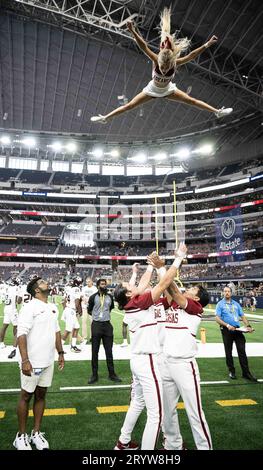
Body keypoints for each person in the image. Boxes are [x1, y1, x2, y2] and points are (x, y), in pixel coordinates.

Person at [91, 7, 233, 125]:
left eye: (166, 68)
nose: (164, 70)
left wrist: (207, 44)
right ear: (158, 61)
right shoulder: (155, 59)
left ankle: (217, 112)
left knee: (192, 100)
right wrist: (132, 31)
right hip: (152, 89)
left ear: (171, 62)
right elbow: (143, 46)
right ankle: (105, 118)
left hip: (168, 90)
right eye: (162, 67)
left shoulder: (175, 62)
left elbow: (192, 55)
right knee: (129, 106)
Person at [114, 244, 187, 450]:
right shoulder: (138, 303)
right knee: (156, 414)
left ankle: (123, 442)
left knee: (138, 402)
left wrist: (150, 268)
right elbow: (163, 285)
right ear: (130, 295)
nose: (133, 283)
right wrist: (177, 259)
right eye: (129, 285)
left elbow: (165, 294)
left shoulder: (137, 302)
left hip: (139, 360)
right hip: (148, 360)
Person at [148, 252, 212, 450]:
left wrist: (161, 266)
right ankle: (173, 446)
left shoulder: (194, 308)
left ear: (197, 298)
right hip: (167, 363)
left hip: (185, 365)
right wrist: (159, 268)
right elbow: (167, 287)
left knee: (195, 413)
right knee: (167, 411)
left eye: (193, 289)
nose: (189, 289)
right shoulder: (177, 304)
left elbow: (174, 291)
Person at [13, 277, 65, 450]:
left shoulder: (51, 307)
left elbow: (57, 331)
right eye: (42, 282)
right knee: (26, 396)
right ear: (36, 290)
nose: (46, 283)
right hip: (32, 362)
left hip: (48, 361)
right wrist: (25, 360)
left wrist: (61, 352)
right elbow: (21, 335)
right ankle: (20, 436)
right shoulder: (29, 307)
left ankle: (36, 432)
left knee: (41, 395)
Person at [215, 286, 258, 382]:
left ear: (231, 293)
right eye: (225, 291)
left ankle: (246, 373)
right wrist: (227, 325)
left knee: (242, 351)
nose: (226, 293)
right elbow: (217, 318)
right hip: (226, 330)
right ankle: (232, 371)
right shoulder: (220, 304)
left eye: (228, 291)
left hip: (238, 330)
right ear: (223, 293)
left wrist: (248, 326)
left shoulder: (236, 304)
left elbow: (242, 316)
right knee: (228, 352)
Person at [88, 279, 121, 384]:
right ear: (98, 286)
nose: (104, 286)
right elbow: (89, 310)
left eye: (105, 284)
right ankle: (94, 375)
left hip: (107, 325)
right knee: (94, 351)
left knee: (109, 351)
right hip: (96, 324)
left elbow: (110, 308)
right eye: (102, 284)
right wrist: (97, 316)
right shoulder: (93, 297)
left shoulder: (110, 297)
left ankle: (112, 374)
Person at [0, 277, 21, 359]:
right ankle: (15, 343)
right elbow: (17, 300)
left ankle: (1, 344)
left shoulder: (7, 288)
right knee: (17, 326)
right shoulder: (16, 288)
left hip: (6, 308)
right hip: (12, 309)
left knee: (4, 326)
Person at [61, 277, 82, 352]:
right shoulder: (76, 289)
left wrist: (65, 309)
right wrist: (79, 311)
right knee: (68, 330)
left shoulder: (69, 288)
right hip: (71, 310)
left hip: (68, 309)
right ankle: (59, 347)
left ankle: (73, 346)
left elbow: (63, 301)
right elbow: (77, 302)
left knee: (76, 327)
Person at [81, 277, 97, 343]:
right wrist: (83, 299)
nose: (88, 283)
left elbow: (96, 297)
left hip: (92, 308)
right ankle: (84, 337)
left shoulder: (94, 288)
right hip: (84, 307)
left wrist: (90, 301)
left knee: (92, 323)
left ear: (92, 282)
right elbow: (81, 296)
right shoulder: (84, 288)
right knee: (84, 322)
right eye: (87, 282)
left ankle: (92, 337)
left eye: (89, 281)